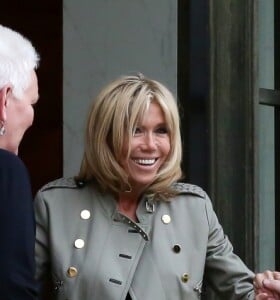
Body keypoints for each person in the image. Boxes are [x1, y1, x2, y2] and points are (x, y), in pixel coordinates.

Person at [34, 73, 256, 299]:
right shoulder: (54, 204)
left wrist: (272, 292)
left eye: (161, 131)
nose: (150, 145)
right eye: (135, 130)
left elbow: (241, 290)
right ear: (105, 136)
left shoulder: (194, 208)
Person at [0, 24, 40, 299]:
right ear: (4, 100)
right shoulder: (6, 171)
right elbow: (12, 286)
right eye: (32, 103)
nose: (32, 115)